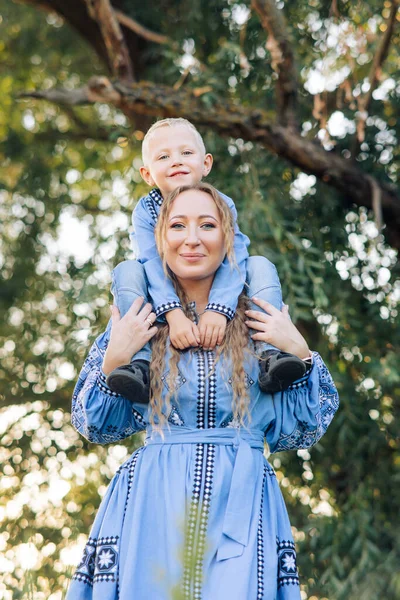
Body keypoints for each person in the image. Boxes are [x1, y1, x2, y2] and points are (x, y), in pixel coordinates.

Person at [66, 183, 339, 600]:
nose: (192, 238)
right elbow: (95, 426)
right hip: (152, 505)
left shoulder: (261, 318)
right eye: (177, 225)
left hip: (243, 503)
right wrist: (113, 359)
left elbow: (303, 429)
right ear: (159, 239)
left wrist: (299, 352)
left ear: (227, 237)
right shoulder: (136, 317)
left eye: (207, 225)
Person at [106, 118, 308, 404]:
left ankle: (270, 354)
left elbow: (235, 258)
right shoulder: (145, 211)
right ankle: (139, 366)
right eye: (163, 157)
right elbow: (150, 261)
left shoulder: (222, 205)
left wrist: (218, 310)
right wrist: (174, 315)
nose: (176, 161)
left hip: (222, 290)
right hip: (162, 290)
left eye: (186, 153)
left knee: (261, 264)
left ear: (206, 164)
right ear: (148, 174)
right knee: (127, 271)